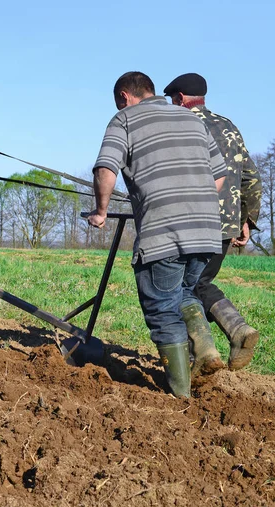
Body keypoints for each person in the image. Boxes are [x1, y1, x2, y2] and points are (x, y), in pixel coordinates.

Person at [88, 71, 227, 398]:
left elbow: (105, 169)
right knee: (183, 293)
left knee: (163, 310)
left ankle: (180, 395)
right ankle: (206, 350)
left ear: (125, 96)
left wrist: (101, 211)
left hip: (163, 232)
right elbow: (219, 177)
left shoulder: (123, 120)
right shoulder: (191, 119)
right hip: (207, 231)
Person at [163, 73, 262, 370]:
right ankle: (238, 329)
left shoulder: (180, 125)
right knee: (200, 282)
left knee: (177, 288)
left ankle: (203, 355)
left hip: (189, 222)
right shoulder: (229, 126)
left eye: (172, 100)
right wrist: (245, 220)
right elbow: (252, 179)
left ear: (180, 98)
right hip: (225, 225)